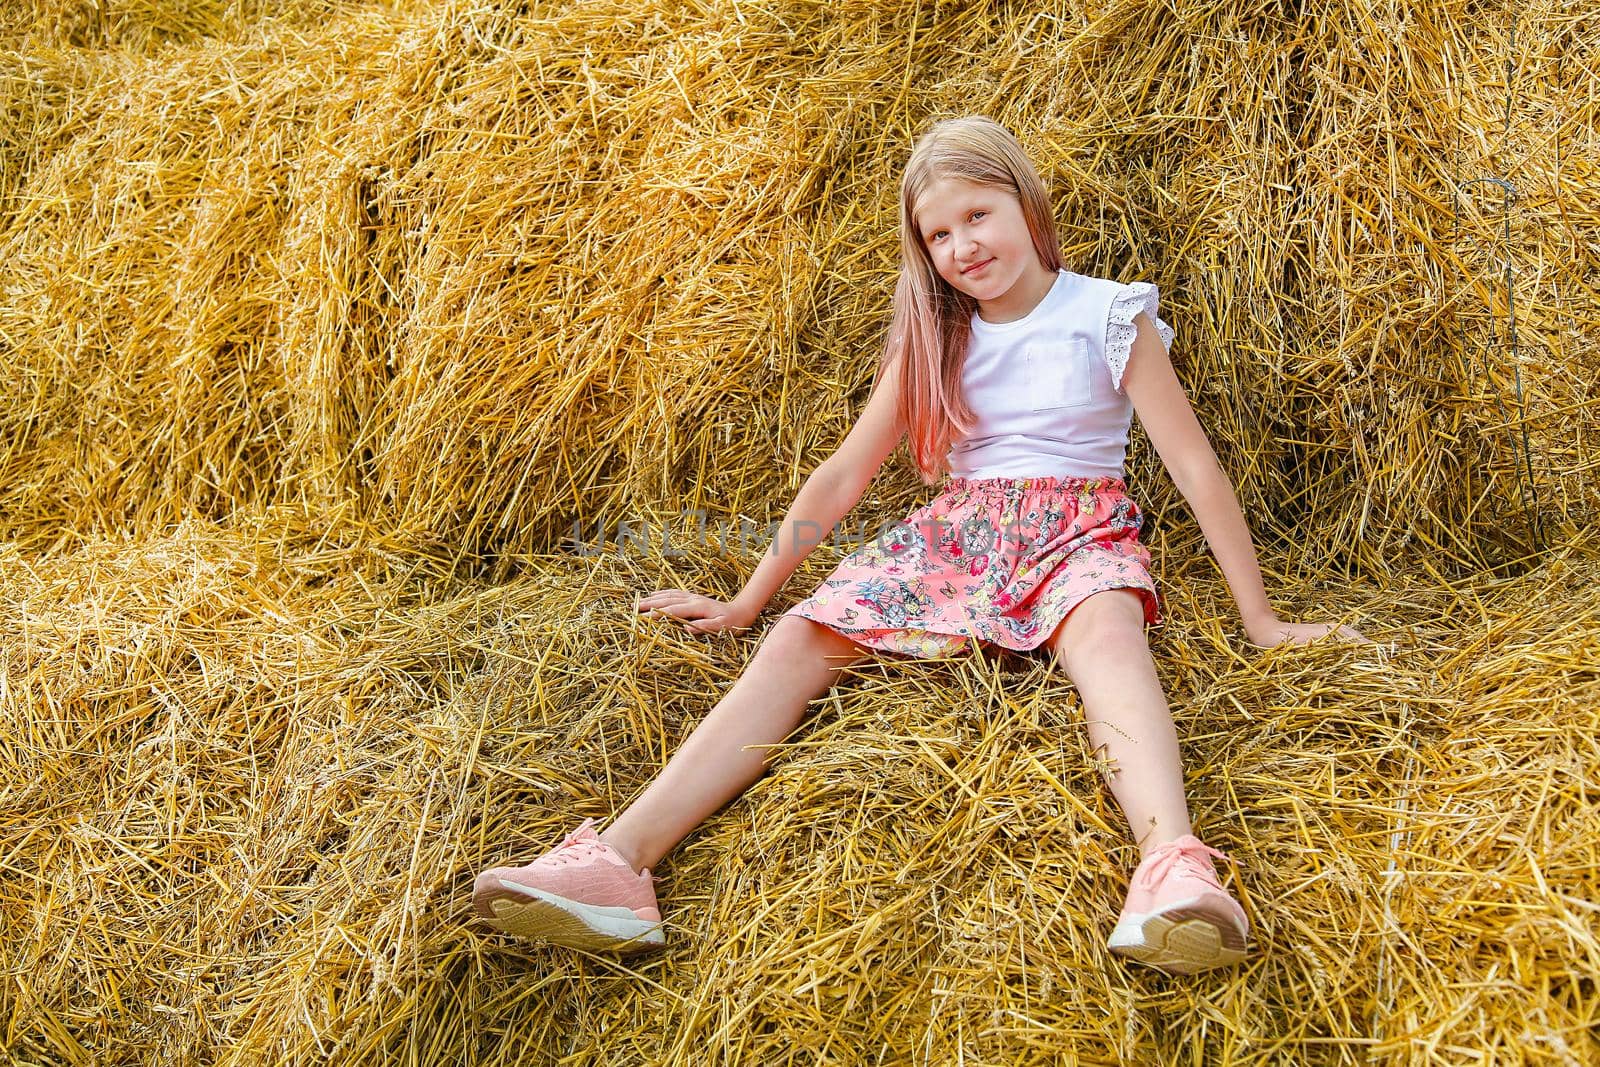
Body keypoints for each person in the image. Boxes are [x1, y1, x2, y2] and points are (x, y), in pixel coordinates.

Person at [472, 115, 1370, 975]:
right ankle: (617, 865)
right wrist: (753, 598)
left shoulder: (1107, 314)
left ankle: (1172, 868)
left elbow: (1194, 468)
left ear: (1027, 203)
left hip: (1078, 530)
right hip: (957, 536)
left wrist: (1260, 617)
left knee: (1108, 635)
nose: (963, 246)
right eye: (939, 235)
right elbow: (840, 478)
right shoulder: (935, 339)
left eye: (978, 215)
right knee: (798, 637)